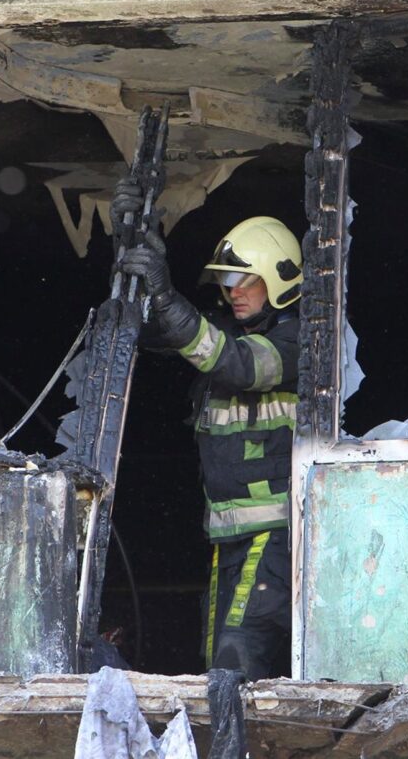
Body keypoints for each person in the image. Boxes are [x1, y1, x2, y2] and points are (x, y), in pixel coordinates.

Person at [119, 207, 303, 681]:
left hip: (276, 537)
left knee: (234, 662)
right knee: (214, 666)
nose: (232, 291)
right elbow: (153, 333)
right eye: (226, 280)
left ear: (278, 279)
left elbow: (235, 363)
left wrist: (168, 297)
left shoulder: (298, 342)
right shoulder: (226, 331)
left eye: (244, 279)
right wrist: (132, 256)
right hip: (226, 538)